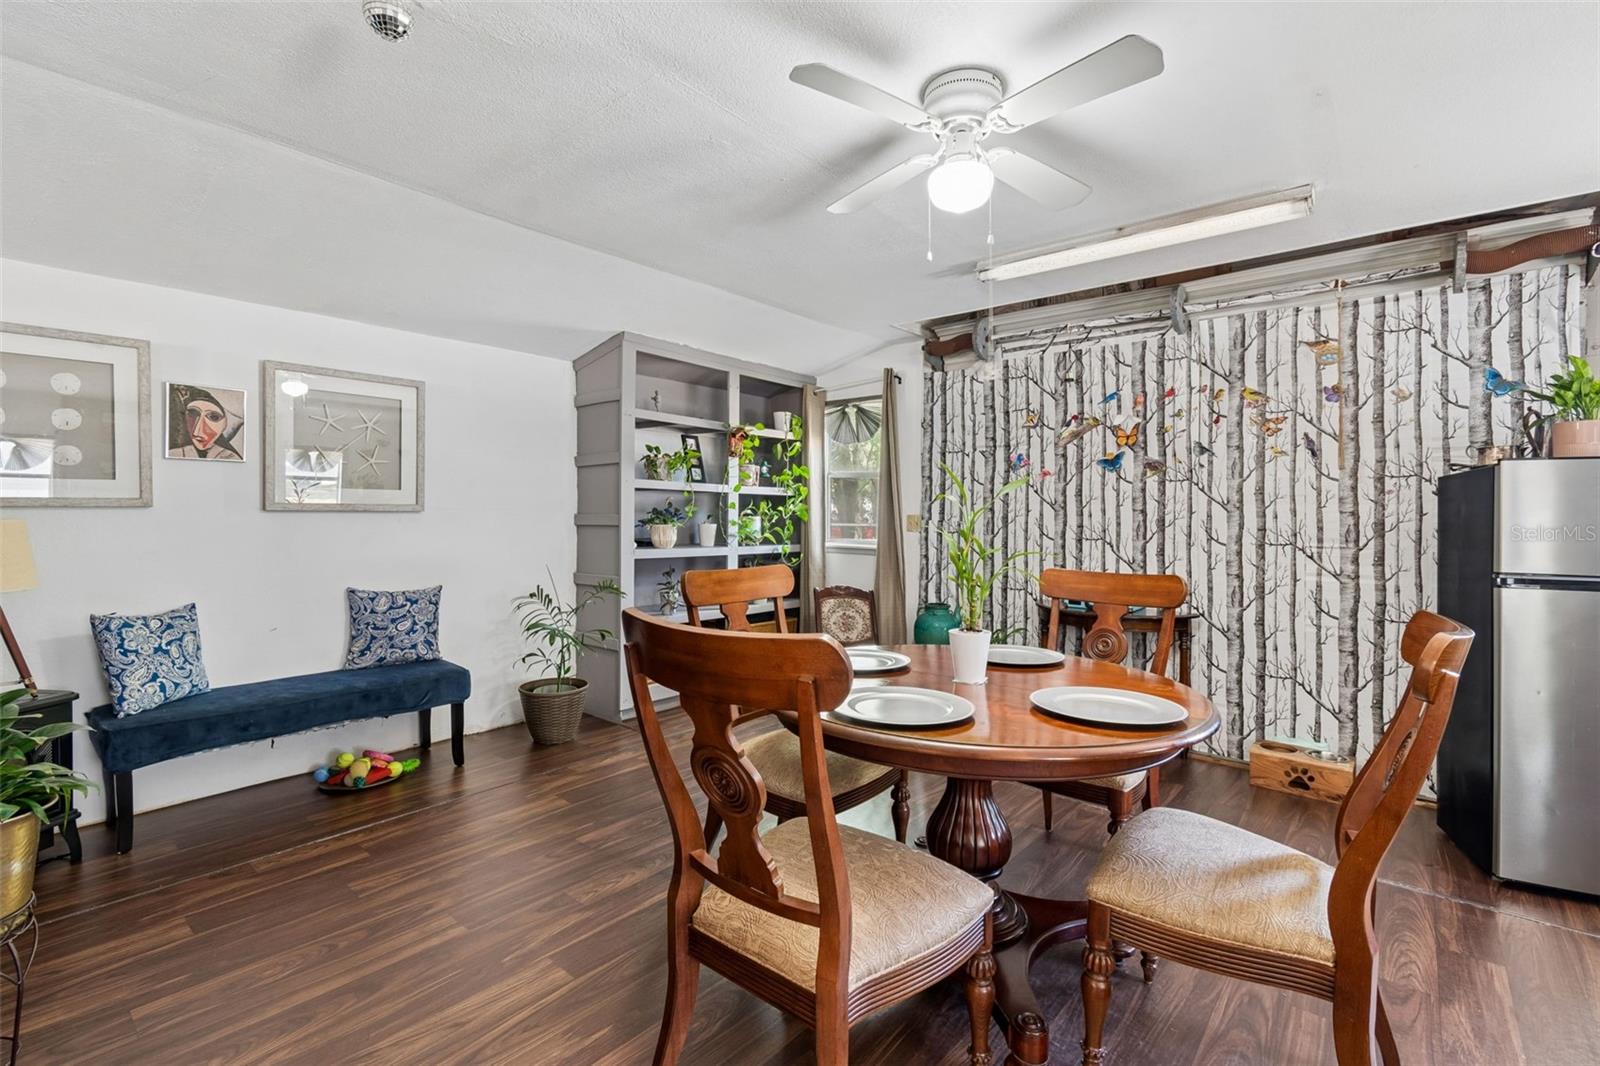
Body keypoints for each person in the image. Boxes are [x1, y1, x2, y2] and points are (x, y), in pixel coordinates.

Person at [169, 384, 243, 460]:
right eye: (192, 414)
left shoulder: (231, 458)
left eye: (214, 417)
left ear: (226, 424)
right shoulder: (173, 454)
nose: (196, 432)